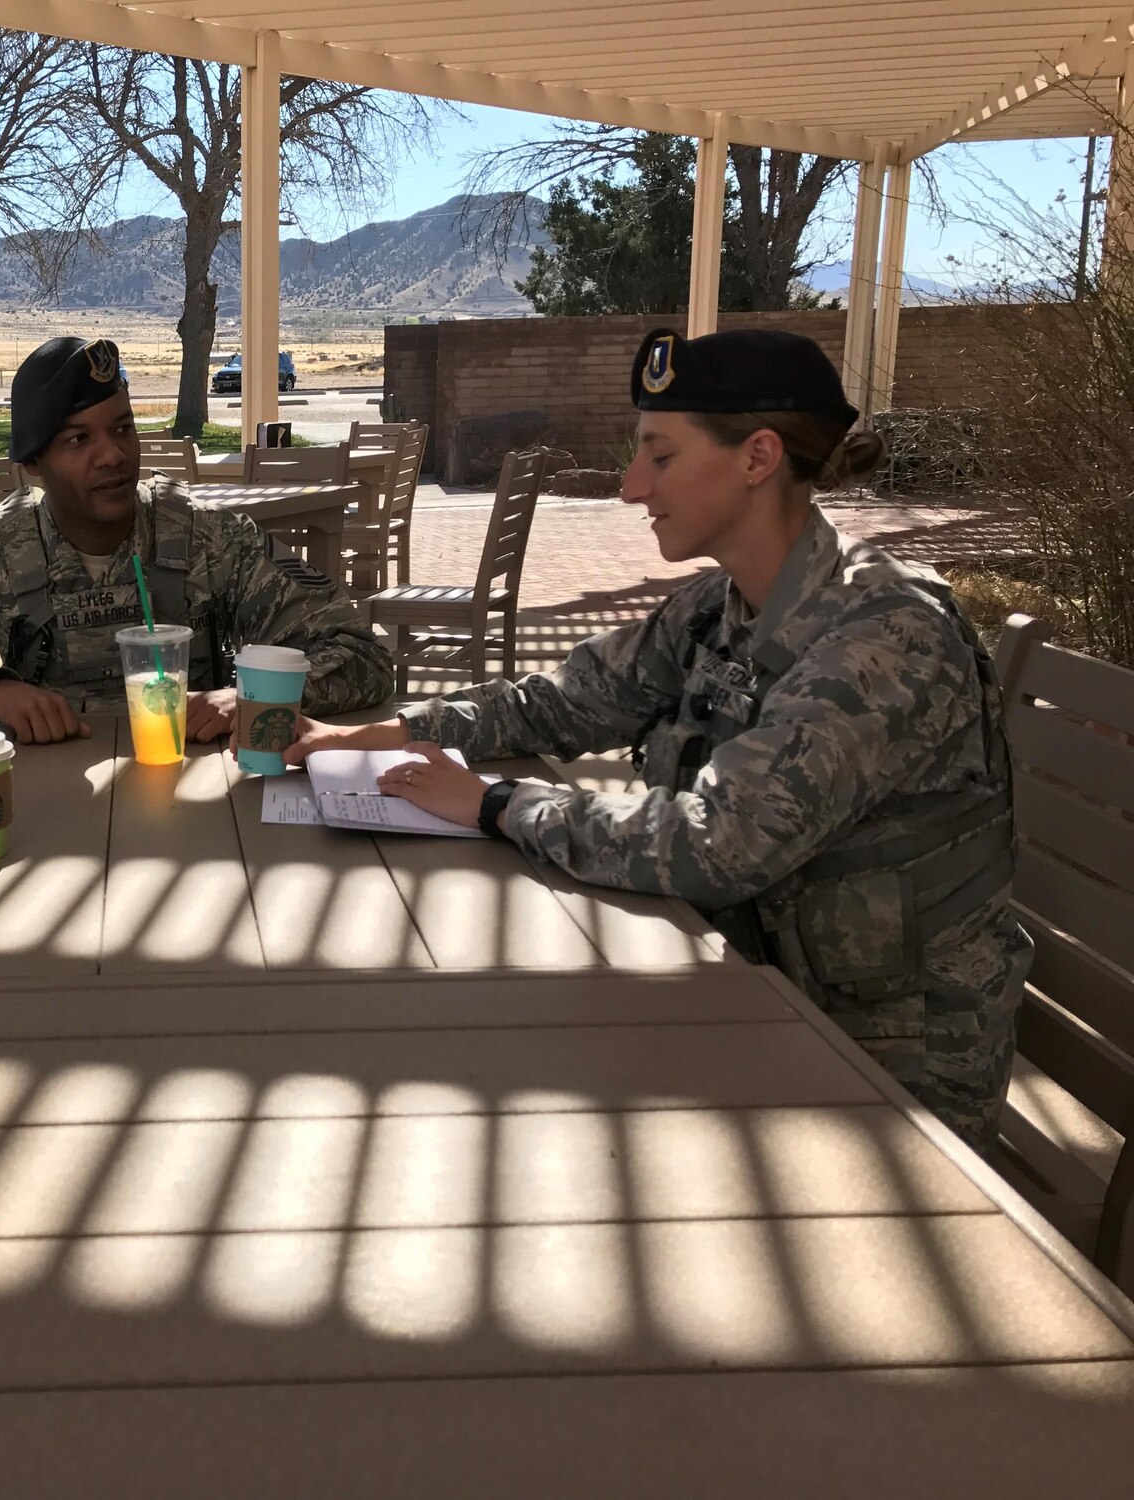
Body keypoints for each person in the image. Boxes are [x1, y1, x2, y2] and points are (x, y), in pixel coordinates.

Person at [286, 328, 1030, 1152]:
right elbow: (565, 704)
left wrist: (497, 804)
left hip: (884, 1072)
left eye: (661, 457)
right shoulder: (723, 609)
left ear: (757, 458)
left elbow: (719, 845)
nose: (631, 487)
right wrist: (382, 732)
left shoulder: (886, 633)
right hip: (757, 995)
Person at [0, 335, 392, 743]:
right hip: (44, 813)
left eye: (123, 428)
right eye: (79, 439)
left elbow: (362, 658)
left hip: (200, 797)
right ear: (34, 462)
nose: (112, 455)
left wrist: (250, 699)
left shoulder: (213, 538)